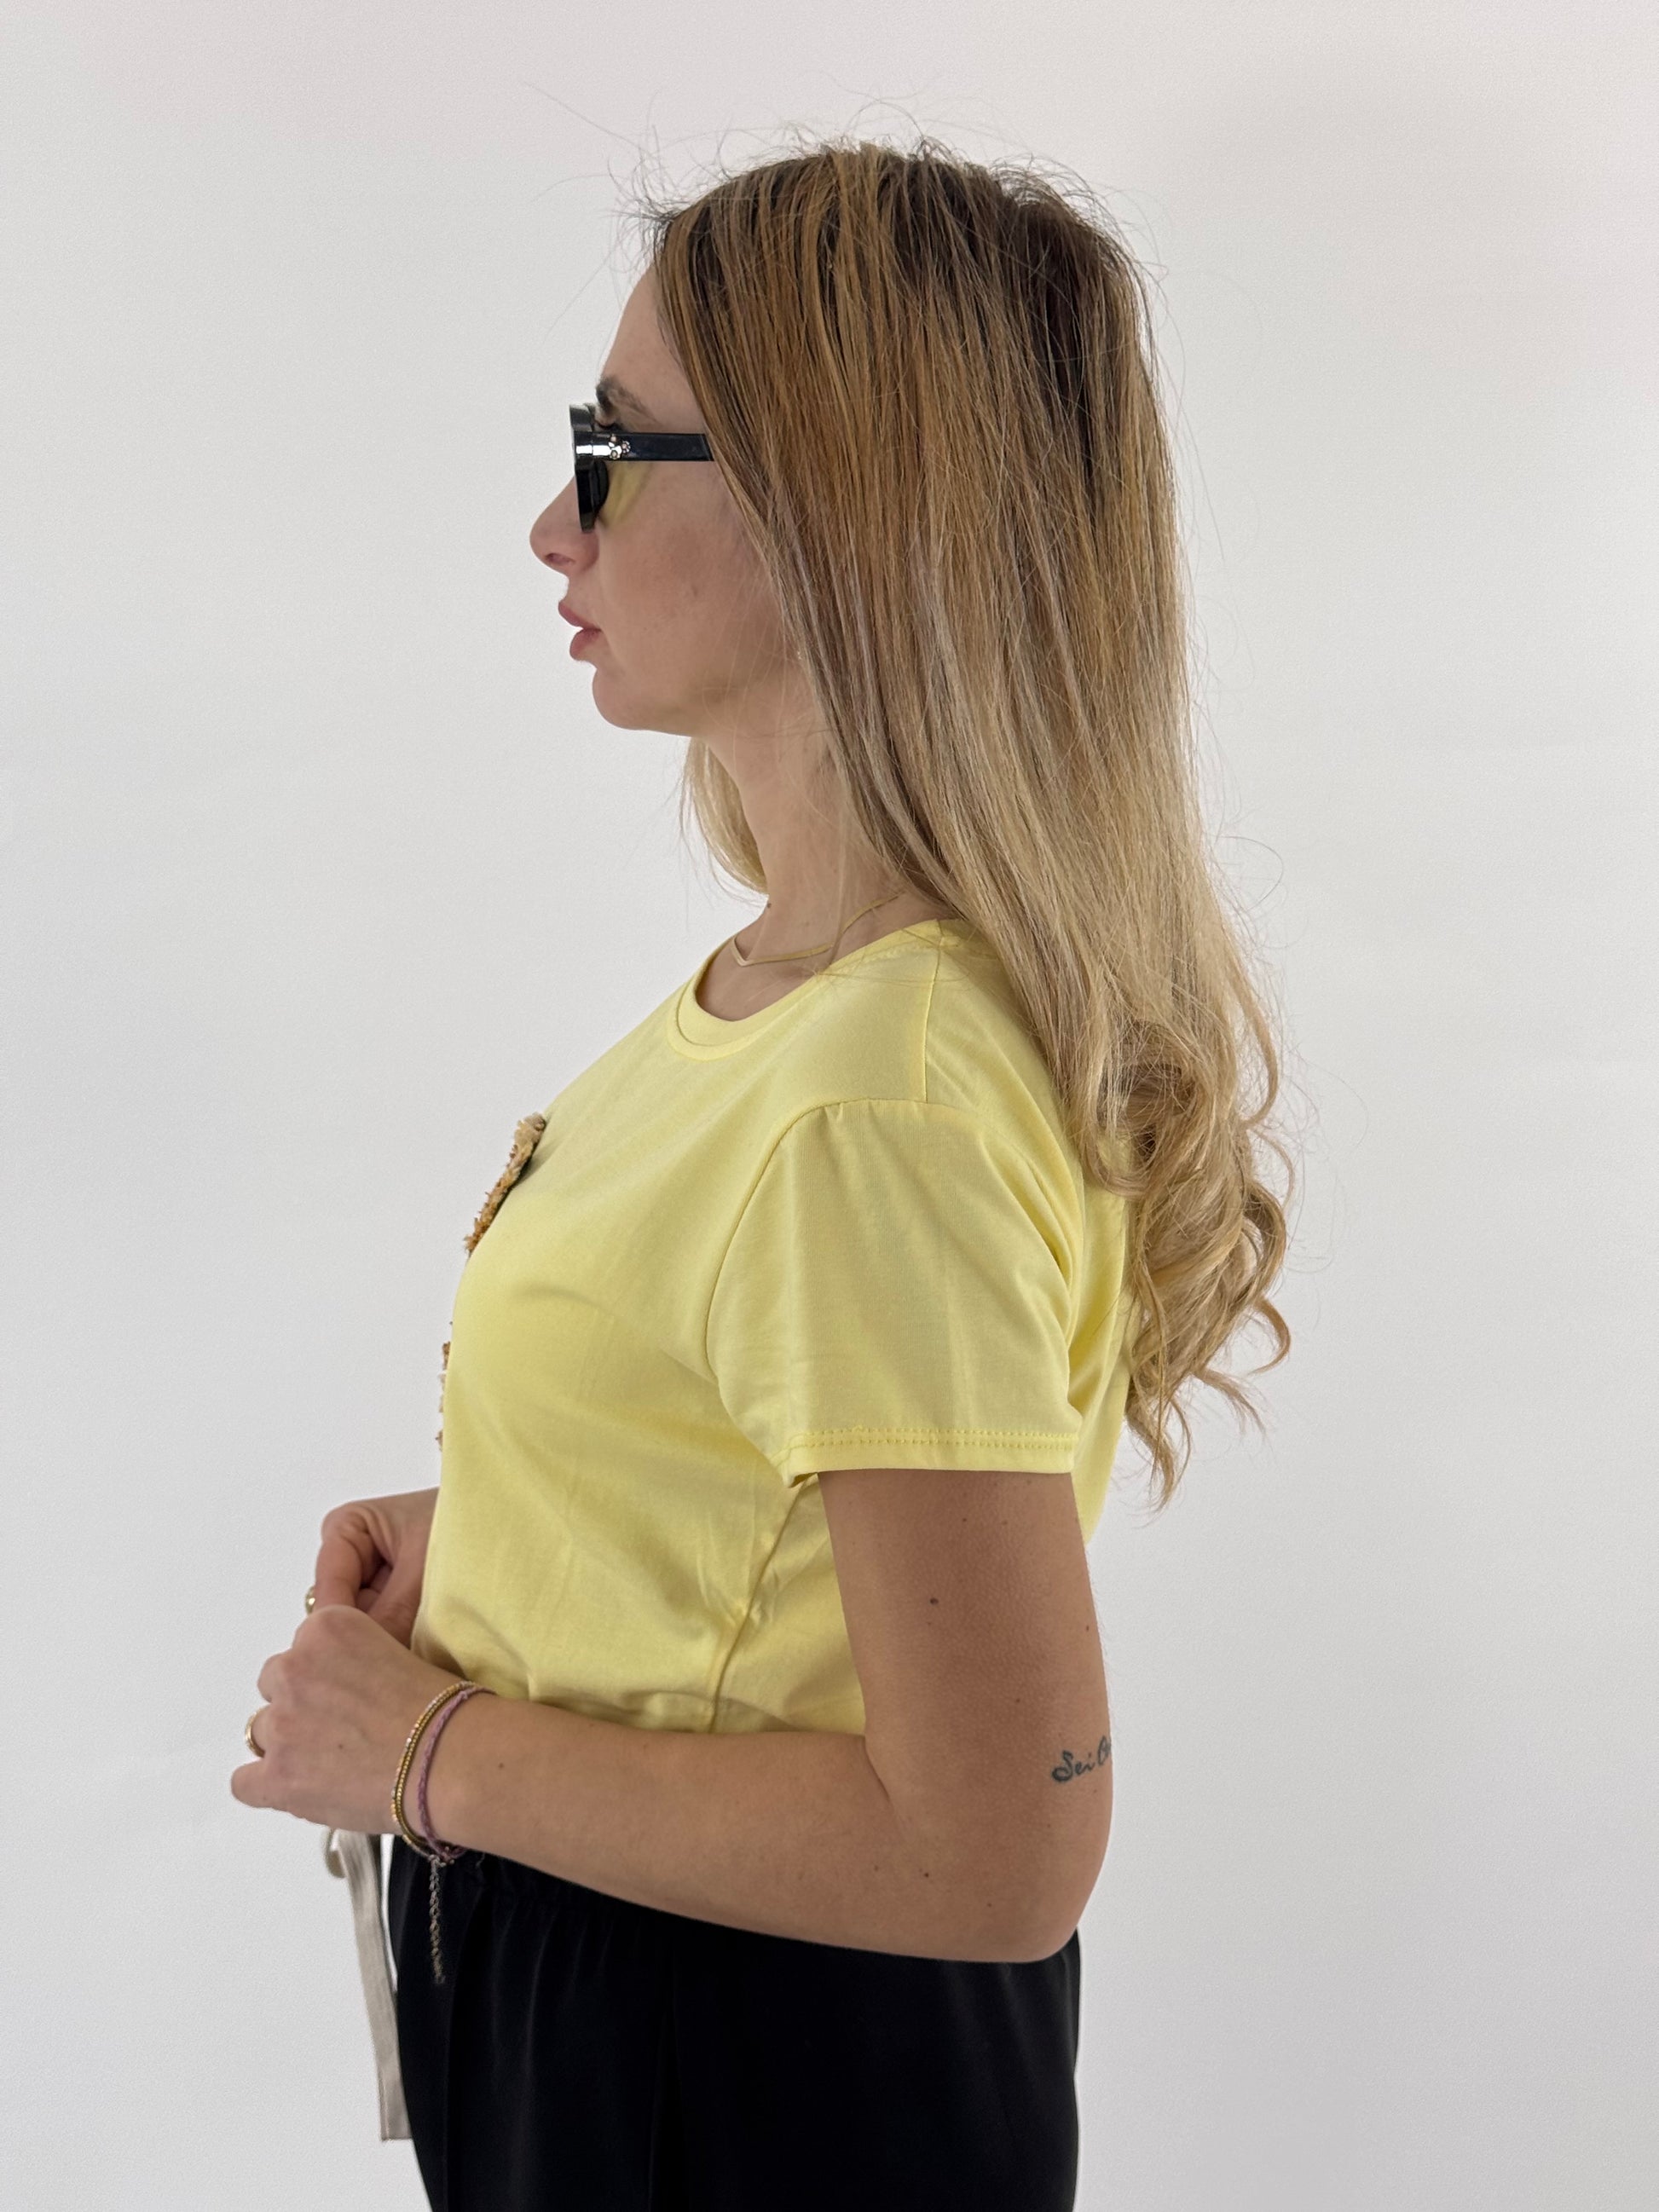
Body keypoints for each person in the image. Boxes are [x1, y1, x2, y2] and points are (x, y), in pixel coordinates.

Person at [232, 136, 1294, 2211]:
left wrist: (418, 1748)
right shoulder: (810, 1000)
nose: (555, 524)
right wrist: (530, 1530)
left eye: (611, 450)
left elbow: (996, 1846)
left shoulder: (874, 1087)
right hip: (676, 2016)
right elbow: (782, 1512)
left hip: (740, 2065)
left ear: (841, 508)